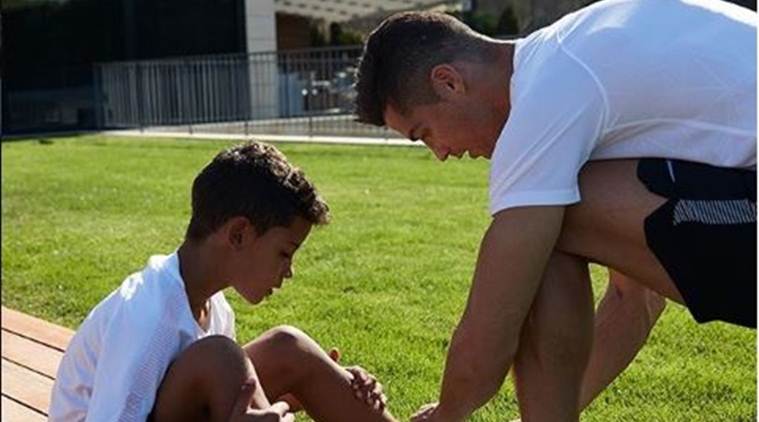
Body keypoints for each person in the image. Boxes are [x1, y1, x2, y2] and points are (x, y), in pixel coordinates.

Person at [354, 0, 756, 420]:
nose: (439, 153)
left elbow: (490, 331)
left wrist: (448, 414)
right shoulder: (572, 52)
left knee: (551, 215)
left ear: (449, 82)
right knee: (553, 208)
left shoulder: (549, 92)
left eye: (424, 133)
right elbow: (633, 299)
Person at [49, 141, 397, 422]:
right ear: (239, 234)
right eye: (284, 253)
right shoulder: (148, 316)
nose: (289, 270)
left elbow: (217, 398)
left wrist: (328, 384)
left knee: (288, 348)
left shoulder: (213, 307)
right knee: (221, 357)